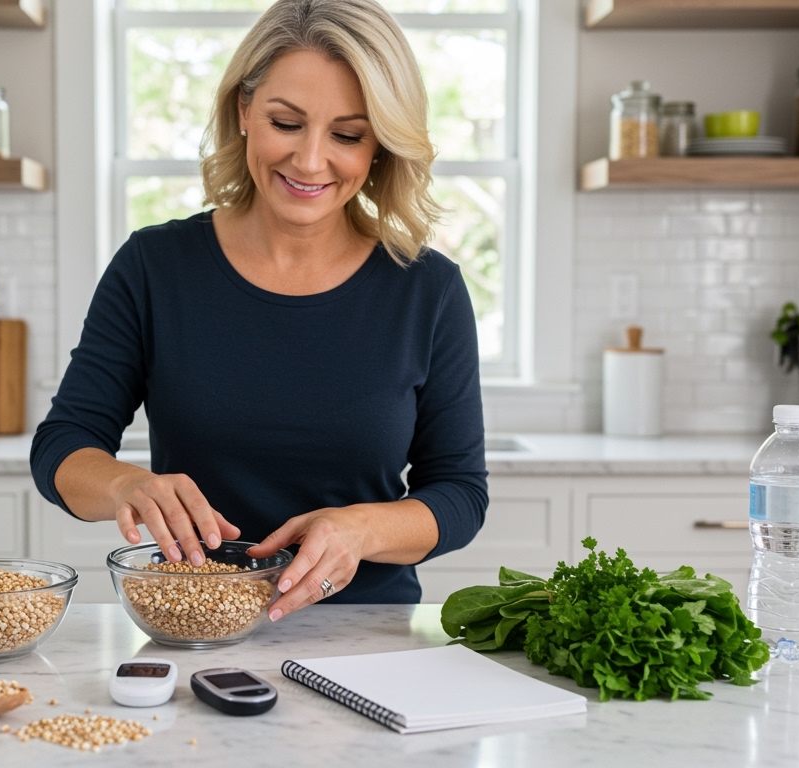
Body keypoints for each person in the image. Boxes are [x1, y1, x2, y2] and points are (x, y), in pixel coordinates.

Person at [30, 0, 486, 620]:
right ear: (244, 110)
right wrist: (124, 487)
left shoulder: (427, 289)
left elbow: (460, 495)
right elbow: (63, 445)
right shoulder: (154, 267)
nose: (310, 160)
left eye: (348, 135)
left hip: (365, 635)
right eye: (286, 122)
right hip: (194, 627)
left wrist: (363, 531)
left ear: (379, 144)